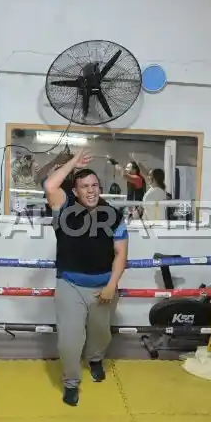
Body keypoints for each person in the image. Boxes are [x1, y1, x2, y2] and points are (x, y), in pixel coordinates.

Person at [45, 149, 129, 406]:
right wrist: (73, 163)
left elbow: (121, 254)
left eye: (94, 185)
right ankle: (71, 383)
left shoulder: (114, 215)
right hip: (70, 284)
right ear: (75, 191)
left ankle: (95, 359)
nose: (91, 190)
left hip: (103, 286)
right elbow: (50, 185)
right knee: (69, 340)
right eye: (85, 186)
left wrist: (111, 285)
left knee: (100, 334)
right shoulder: (64, 208)